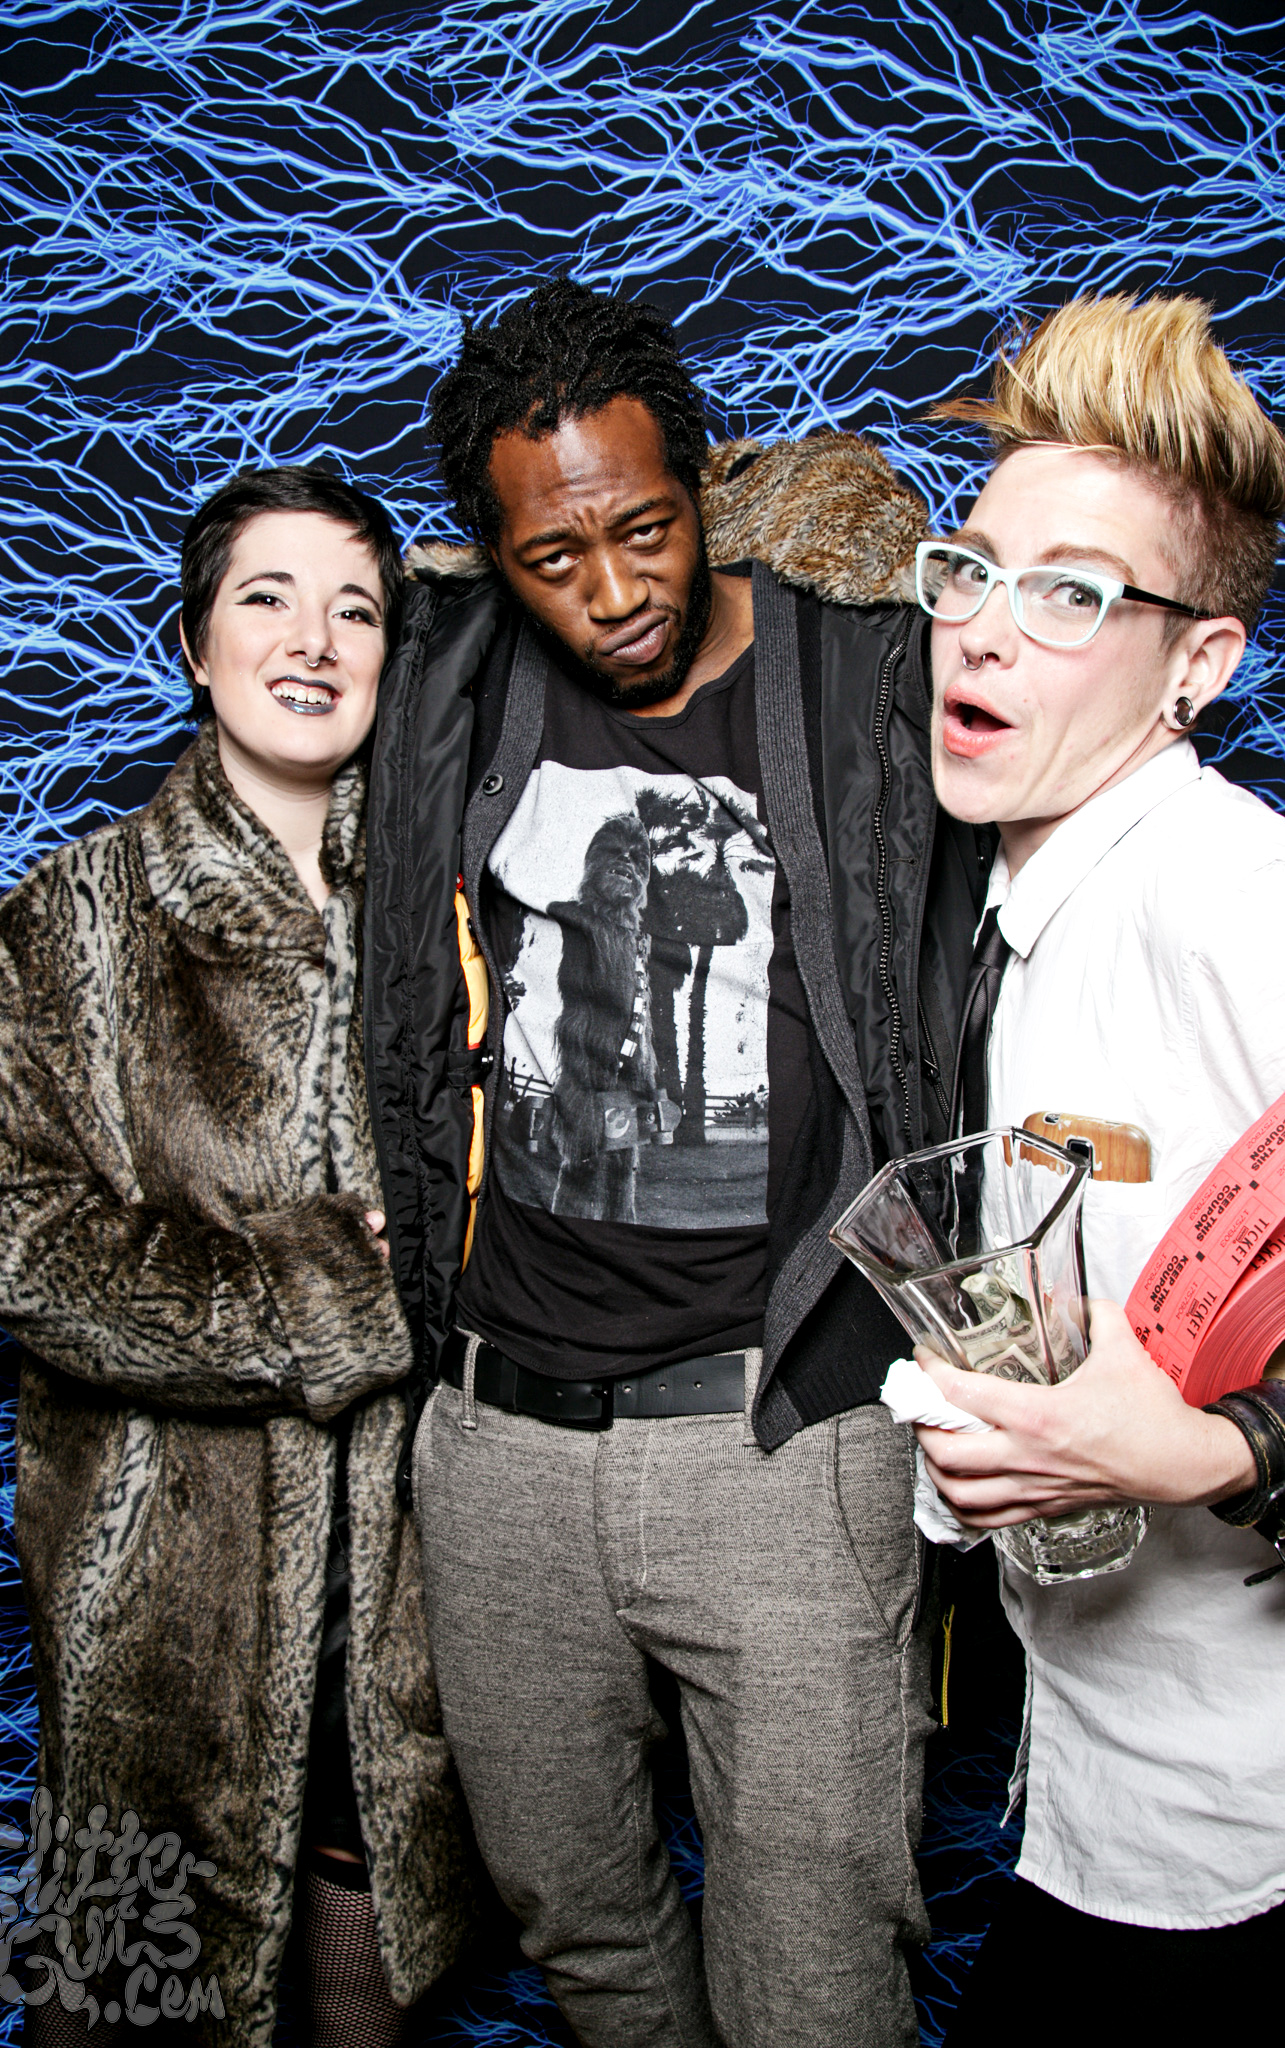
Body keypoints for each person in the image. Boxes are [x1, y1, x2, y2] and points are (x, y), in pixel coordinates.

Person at [360, 278, 988, 2047]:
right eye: (554, 558)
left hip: (780, 1429)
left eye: (642, 529)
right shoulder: (445, 679)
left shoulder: (864, 677)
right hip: (499, 1445)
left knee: (815, 1964)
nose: (614, 590)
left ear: (706, 483)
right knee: (579, 1929)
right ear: (493, 559)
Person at [0, 468, 475, 2047]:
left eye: (356, 610)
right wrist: (335, 1292)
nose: (313, 640)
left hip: (417, 1585)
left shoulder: (463, 916)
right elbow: (7, 1225)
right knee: (130, 1990)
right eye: (266, 598)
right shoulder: (62, 925)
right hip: (156, 1605)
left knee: (376, 1950)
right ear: (193, 641)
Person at [906, 295, 1285, 2045]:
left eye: (1070, 593)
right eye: (969, 570)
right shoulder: (1016, 903)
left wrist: (1221, 1450)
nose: (983, 629)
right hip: (1099, 1779)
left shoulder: (1224, 893)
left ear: (1195, 666)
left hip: (1241, 1827)